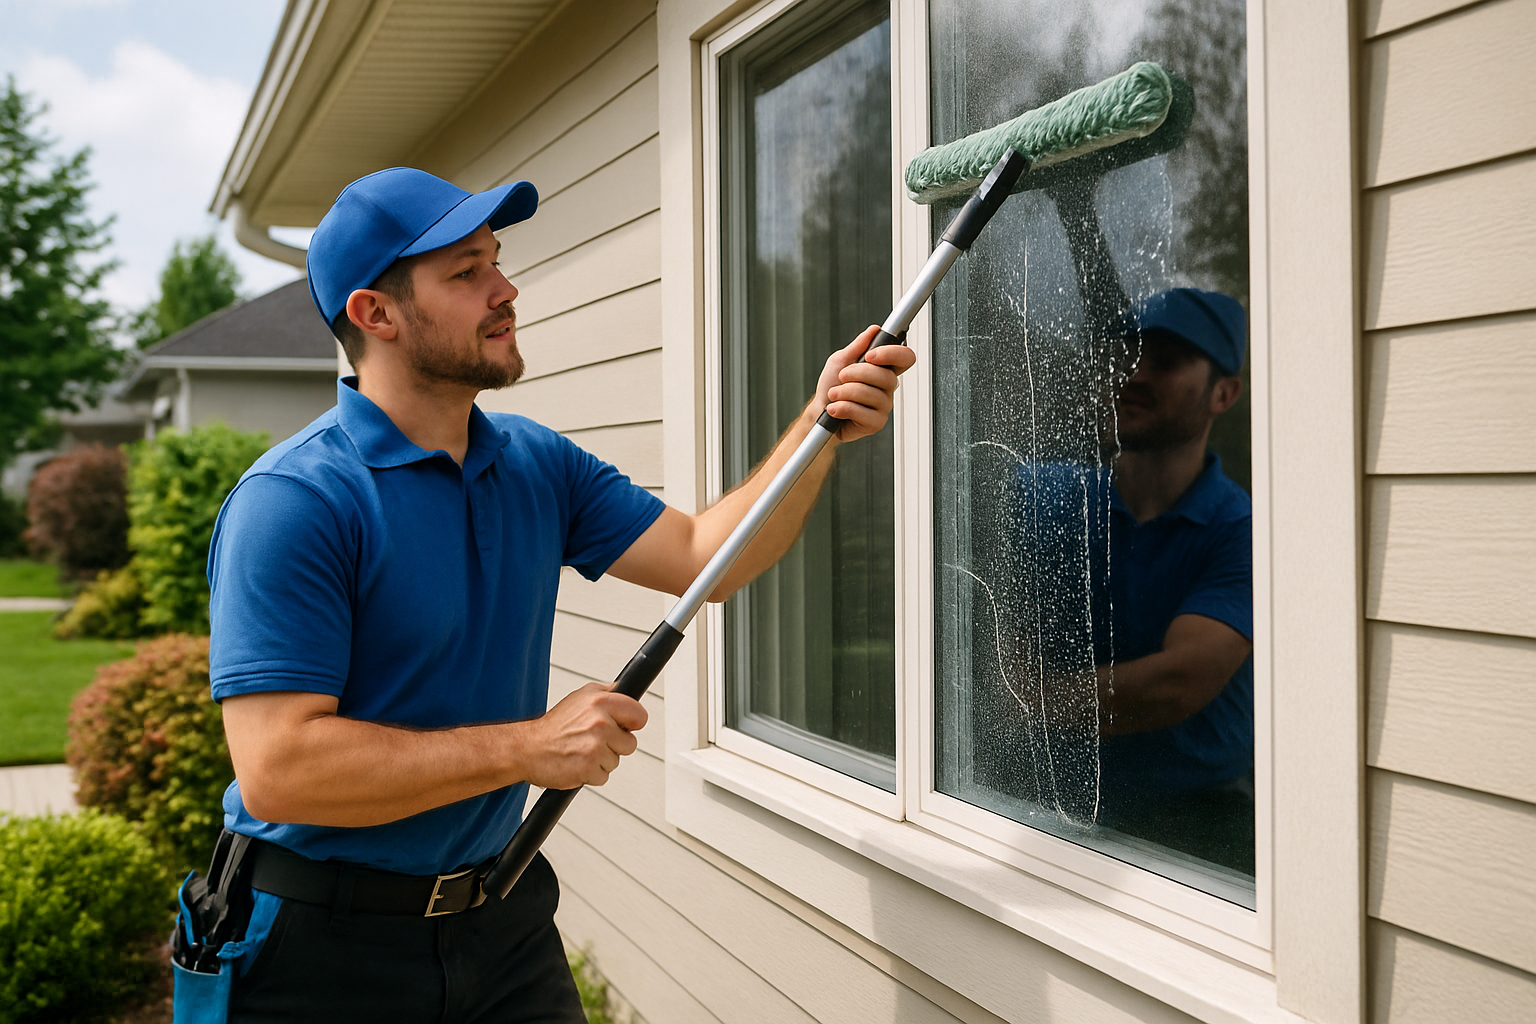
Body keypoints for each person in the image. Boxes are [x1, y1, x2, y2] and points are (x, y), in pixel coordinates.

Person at [197, 167, 913, 1022]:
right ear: (375, 314)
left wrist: (819, 423)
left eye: (495, 262)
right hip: (320, 948)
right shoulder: (296, 501)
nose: (504, 290)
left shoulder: (534, 462)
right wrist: (528, 747)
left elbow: (702, 557)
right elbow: (281, 772)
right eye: (465, 273)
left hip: (500, 921)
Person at [1092, 287, 1254, 871]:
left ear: (1224, 393)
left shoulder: (1243, 530)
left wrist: (1022, 702)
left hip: (1203, 830)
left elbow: (1175, 684)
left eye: (1163, 362)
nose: (1134, 375)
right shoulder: (1055, 499)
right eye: (1129, 354)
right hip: (1056, 803)